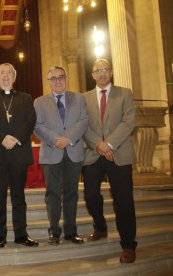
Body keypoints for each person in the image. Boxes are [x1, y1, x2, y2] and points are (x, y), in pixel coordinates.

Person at [83, 58, 137, 263]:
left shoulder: (125, 93)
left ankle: (129, 245)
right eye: (98, 70)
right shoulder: (84, 98)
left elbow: (128, 121)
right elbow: (83, 125)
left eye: (106, 69)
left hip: (119, 153)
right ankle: (100, 226)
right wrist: (100, 145)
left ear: (111, 72)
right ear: (92, 74)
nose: (102, 73)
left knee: (123, 201)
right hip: (94, 153)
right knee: (90, 195)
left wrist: (110, 144)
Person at [0, 63, 38, 248]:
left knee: (18, 197)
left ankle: (21, 234)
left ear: (14, 77)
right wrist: (2, 139)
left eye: (9, 73)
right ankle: (0, 235)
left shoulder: (26, 98)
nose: (5, 76)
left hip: (18, 153)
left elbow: (31, 121)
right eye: (2, 73)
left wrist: (15, 139)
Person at [34, 65, 88, 246]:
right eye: (53, 78)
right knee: (53, 194)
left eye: (61, 77)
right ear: (48, 81)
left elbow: (84, 121)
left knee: (72, 193)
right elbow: (37, 125)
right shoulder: (39, 102)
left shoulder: (79, 98)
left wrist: (68, 138)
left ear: (66, 78)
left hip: (74, 151)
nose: (58, 81)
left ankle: (71, 232)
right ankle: (54, 232)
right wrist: (55, 140)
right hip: (51, 152)